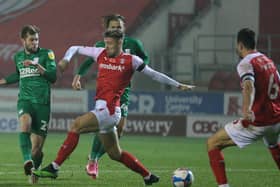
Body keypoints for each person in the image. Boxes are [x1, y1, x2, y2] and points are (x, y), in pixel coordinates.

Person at [33, 29, 194, 185]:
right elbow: (74, 48)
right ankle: (148, 176)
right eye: (106, 43)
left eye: (110, 44)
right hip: (106, 112)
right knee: (115, 154)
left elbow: (154, 74)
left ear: (119, 43)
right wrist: (66, 60)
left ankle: (54, 167)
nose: (107, 47)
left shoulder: (132, 60)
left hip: (109, 111)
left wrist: (178, 85)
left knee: (76, 125)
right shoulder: (100, 53)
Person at [71, 14, 150, 179]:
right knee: (106, 124)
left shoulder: (134, 44)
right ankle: (93, 159)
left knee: (119, 130)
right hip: (108, 91)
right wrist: (79, 75)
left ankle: (94, 159)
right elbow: (88, 61)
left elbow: (144, 58)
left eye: (119, 27)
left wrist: (136, 68)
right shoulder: (102, 45)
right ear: (107, 29)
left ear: (124, 28)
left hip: (124, 91)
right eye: (113, 27)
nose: (116, 29)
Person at [207, 28, 280, 187]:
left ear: (240, 45)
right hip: (275, 121)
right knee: (273, 145)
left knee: (213, 143)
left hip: (259, 121)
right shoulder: (268, 60)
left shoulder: (246, 63)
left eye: (236, 45)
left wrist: (247, 110)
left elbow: (248, 86)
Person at [0, 25, 57, 184]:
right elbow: (17, 75)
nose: (35, 43)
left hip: (43, 105)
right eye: (31, 40)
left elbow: (53, 77)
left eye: (37, 39)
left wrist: (39, 67)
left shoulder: (47, 54)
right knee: (24, 122)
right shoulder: (18, 57)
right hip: (25, 100)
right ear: (23, 40)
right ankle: (27, 161)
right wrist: (2, 81)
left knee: (37, 150)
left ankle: (34, 167)